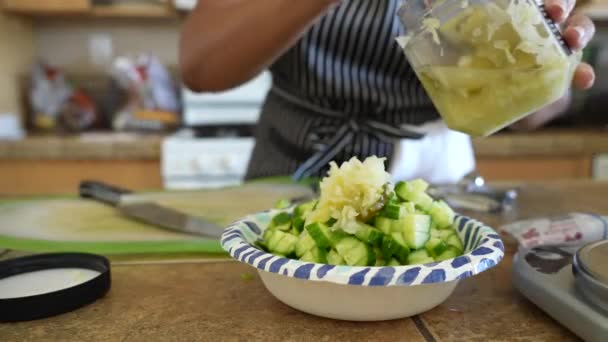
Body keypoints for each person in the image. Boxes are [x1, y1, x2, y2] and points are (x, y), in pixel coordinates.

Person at [180, 0, 596, 184]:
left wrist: (545, 68)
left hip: (434, 183)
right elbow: (201, 66)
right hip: (293, 171)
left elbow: (536, 111)